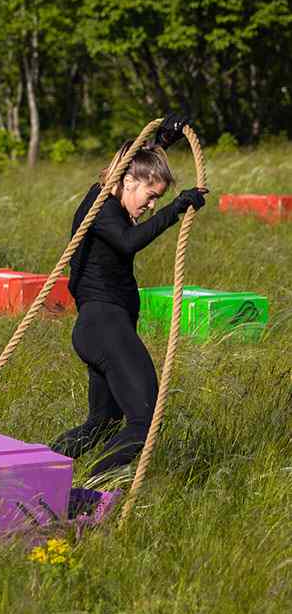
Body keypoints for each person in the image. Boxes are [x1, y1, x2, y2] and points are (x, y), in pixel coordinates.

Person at [51, 115, 206, 477]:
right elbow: (128, 241)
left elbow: (133, 163)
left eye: (158, 200)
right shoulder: (99, 206)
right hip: (104, 327)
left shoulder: (114, 195)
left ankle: (39, 471)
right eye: (151, 197)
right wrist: (175, 208)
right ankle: (95, 490)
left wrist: (162, 141)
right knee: (145, 422)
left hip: (101, 327)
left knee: (102, 423)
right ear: (126, 181)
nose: (151, 205)